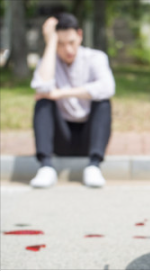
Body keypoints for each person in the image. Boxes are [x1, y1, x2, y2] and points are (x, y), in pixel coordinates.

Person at [30, 13, 115, 188]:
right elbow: (41, 87)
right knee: (43, 103)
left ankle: (94, 166)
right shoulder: (48, 61)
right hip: (60, 137)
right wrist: (51, 43)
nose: (67, 50)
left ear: (80, 36)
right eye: (60, 44)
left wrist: (61, 93)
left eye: (71, 42)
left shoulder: (96, 57)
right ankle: (46, 166)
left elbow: (107, 87)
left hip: (89, 137)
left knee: (103, 102)